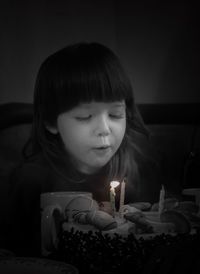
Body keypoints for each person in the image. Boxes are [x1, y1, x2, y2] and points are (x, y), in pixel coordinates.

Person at [6, 42, 162, 256]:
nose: (104, 130)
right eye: (85, 117)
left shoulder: (140, 171)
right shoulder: (30, 181)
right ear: (51, 121)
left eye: (116, 114)